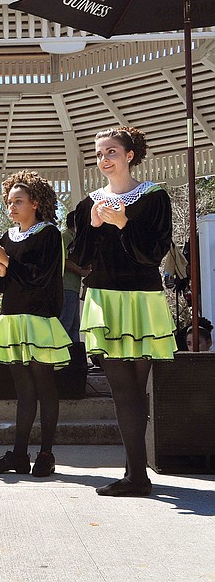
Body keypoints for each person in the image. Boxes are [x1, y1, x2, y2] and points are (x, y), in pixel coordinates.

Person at [69, 126, 176, 497]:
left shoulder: (154, 197)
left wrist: (124, 223)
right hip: (103, 298)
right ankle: (136, 474)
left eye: (111, 152)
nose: (104, 159)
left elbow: (153, 254)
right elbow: (79, 260)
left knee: (136, 390)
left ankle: (137, 475)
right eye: (99, 154)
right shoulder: (88, 204)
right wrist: (97, 226)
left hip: (141, 299)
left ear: (130, 155)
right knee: (121, 390)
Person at [0, 171, 72, 478]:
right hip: (13, 319)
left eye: (18, 201)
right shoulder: (8, 236)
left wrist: (7, 261)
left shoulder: (49, 234)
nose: (12, 207)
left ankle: (46, 454)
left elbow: (41, 278)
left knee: (44, 386)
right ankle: (19, 454)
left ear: (35, 202)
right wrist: (0, 265)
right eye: (9, 202)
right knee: (23, 391)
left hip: (38, 320)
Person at [60, 211, 90, 343]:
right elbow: (64, 260)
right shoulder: (66, 237)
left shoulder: (76, 239)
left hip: (74, 287)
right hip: (66, 286)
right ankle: (63, 357)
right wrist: (80, 271)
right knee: (65, 324)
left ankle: (76, 358)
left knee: (74, 325)